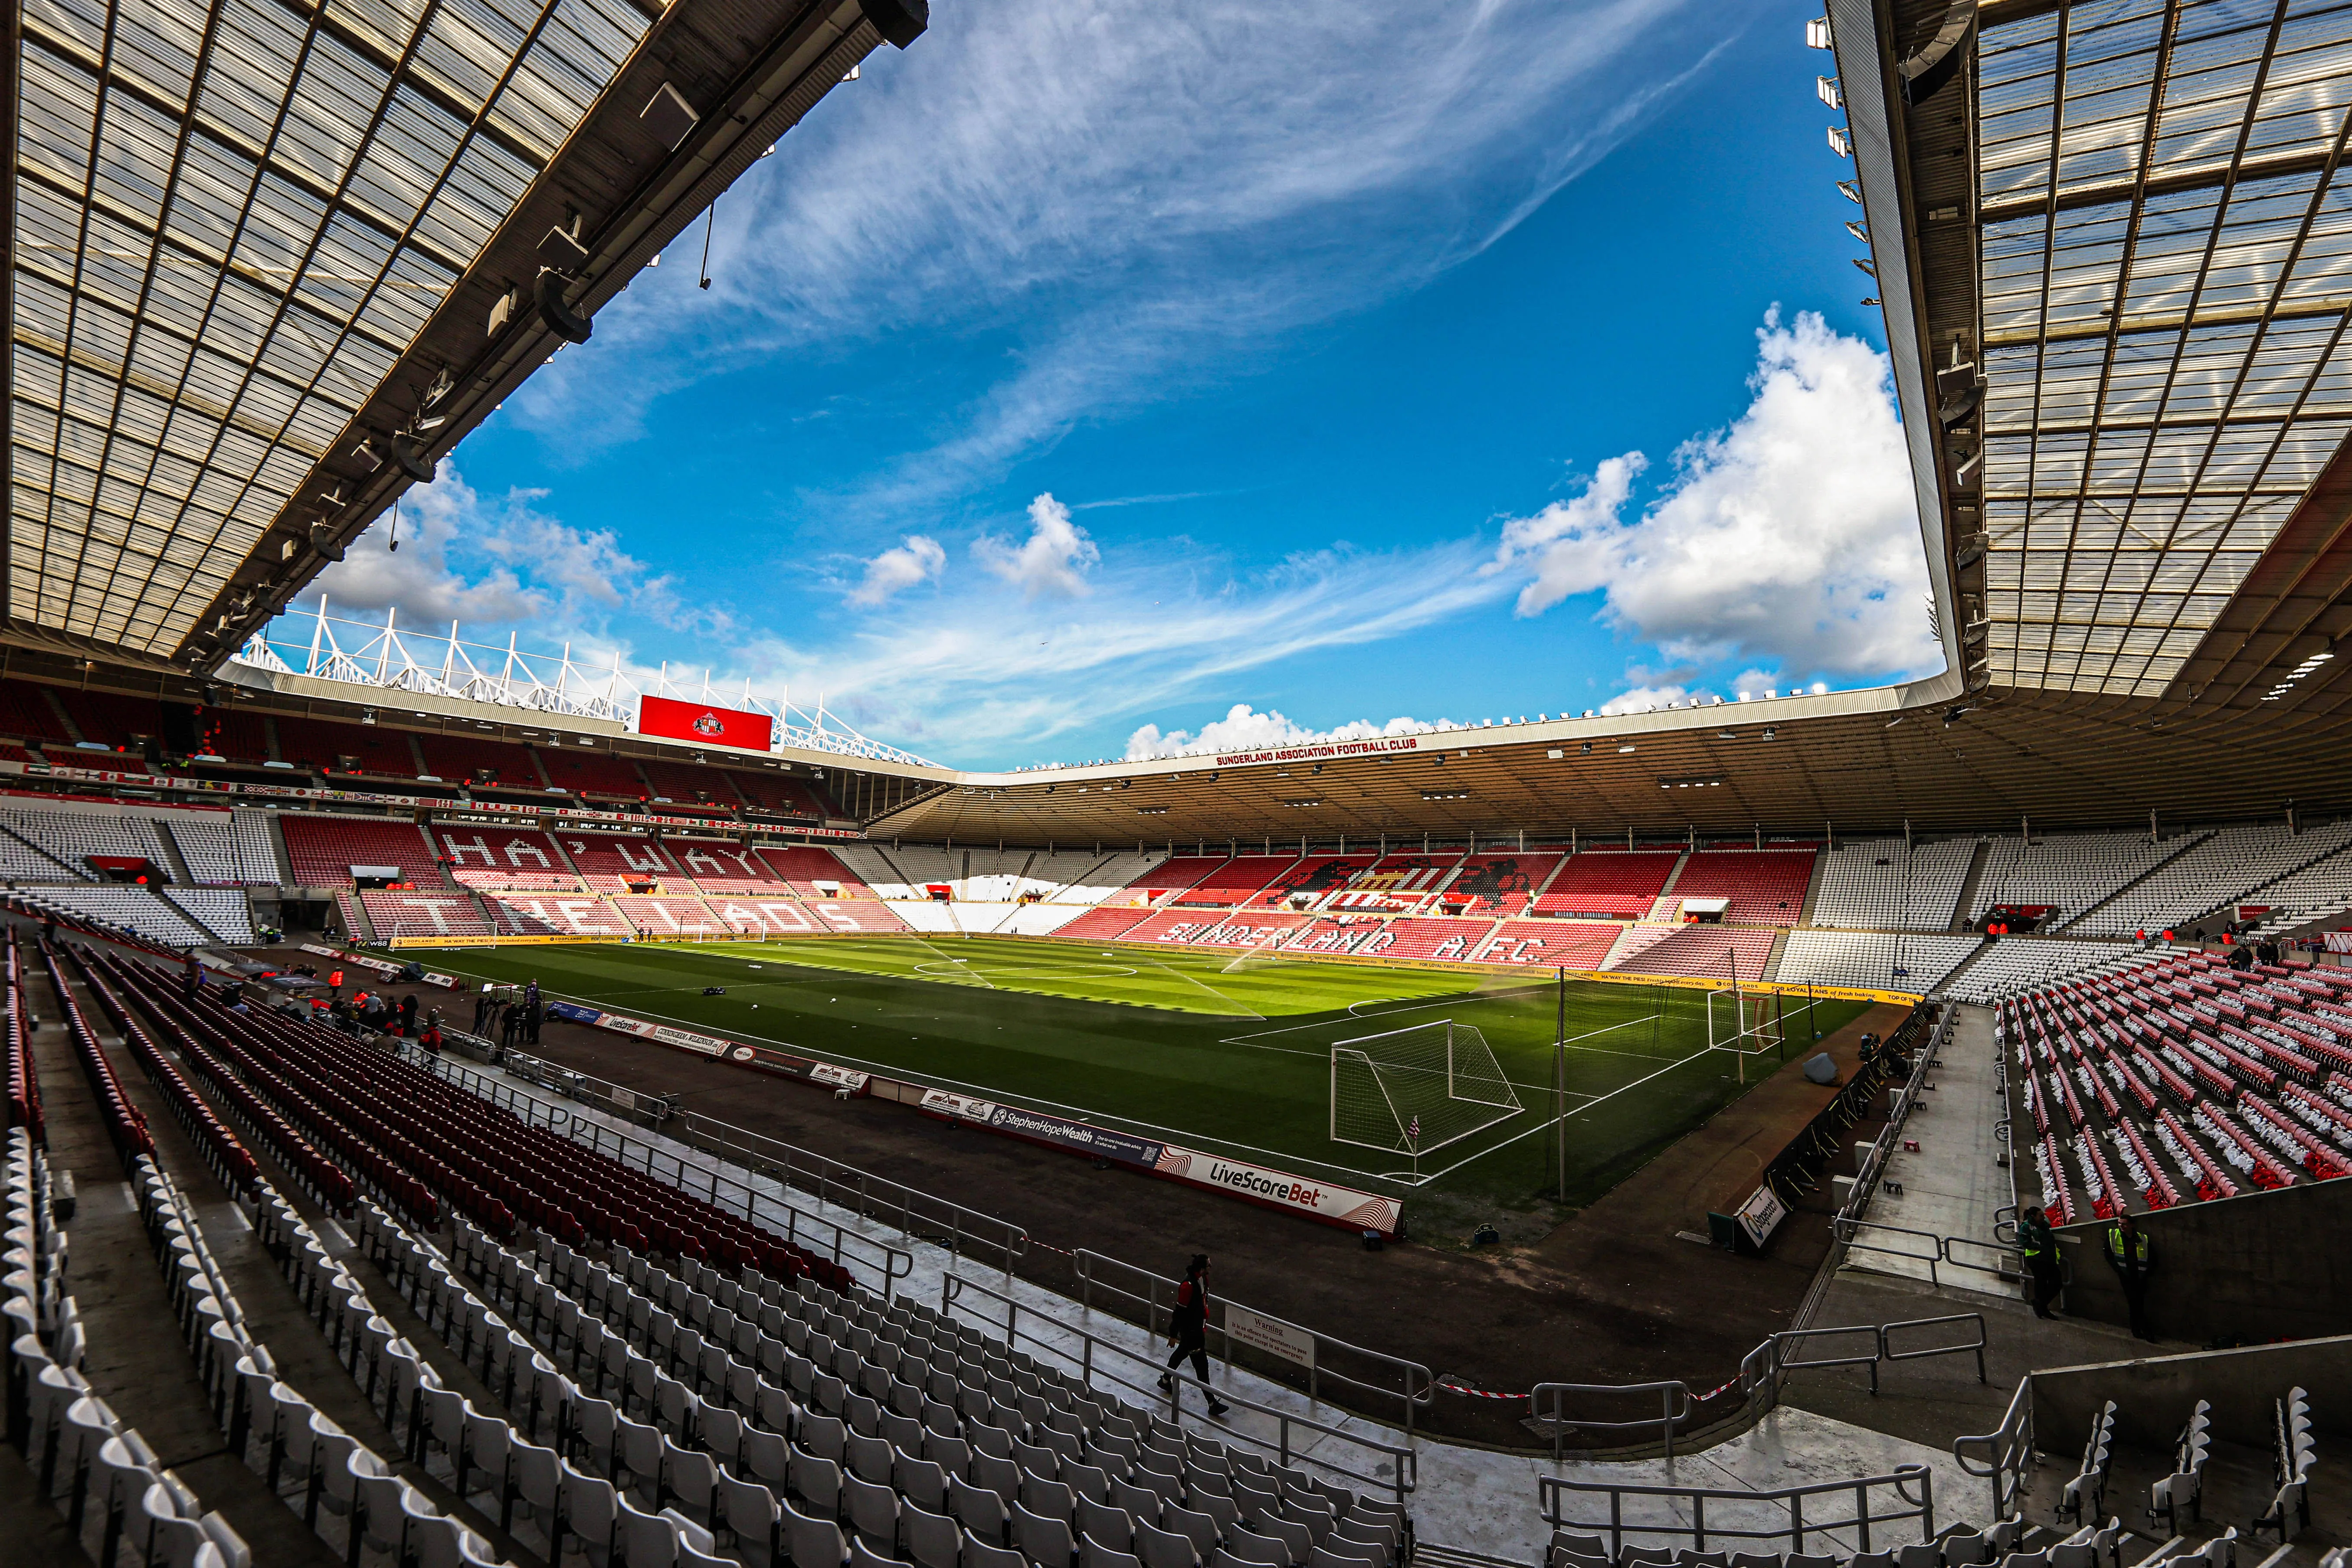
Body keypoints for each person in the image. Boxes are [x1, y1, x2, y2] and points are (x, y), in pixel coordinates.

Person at [1156, 1255, 1231, 1417]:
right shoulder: (1188, 1286)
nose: (1211, 1268)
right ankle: (1212, 1404)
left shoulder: (1202, 1280)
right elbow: (1179, 1312)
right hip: (1192, 1333)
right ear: (1202, 1269)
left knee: (1182, 1353)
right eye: (1209, 1266)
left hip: (1196, 1329)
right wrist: (1173, 1334)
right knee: (1202, 1368)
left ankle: (1165, 1381)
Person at [2105, 1211, 2156, 1341]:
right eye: (2119, 1224)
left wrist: (2148, 1272)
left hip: (2140, 1276)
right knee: (2135, 1304)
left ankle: (2137, 1330)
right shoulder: (2113, 1235)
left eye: (2124, 1224)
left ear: (2132, 1225)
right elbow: (2108, 1255)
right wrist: (2118, 1270)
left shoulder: (2142, 1238)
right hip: (2126, 1276)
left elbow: (2152, 1257)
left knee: (2137, 1304)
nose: (2121, 1226)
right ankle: (2144, 1330)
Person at [2018, 1204, 2061, 1318]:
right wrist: (2041, 1248)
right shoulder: (2027, 1226)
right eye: (2041, 1216)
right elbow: (2025, 1243)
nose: (2044, 1217)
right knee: (2041, 1285)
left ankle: (2040, 1305)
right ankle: (2043, 1308)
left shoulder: (2044, 1226)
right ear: (2033, 1216)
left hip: (2048, 1259)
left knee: (2057, 1284)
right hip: (2036, 1259)